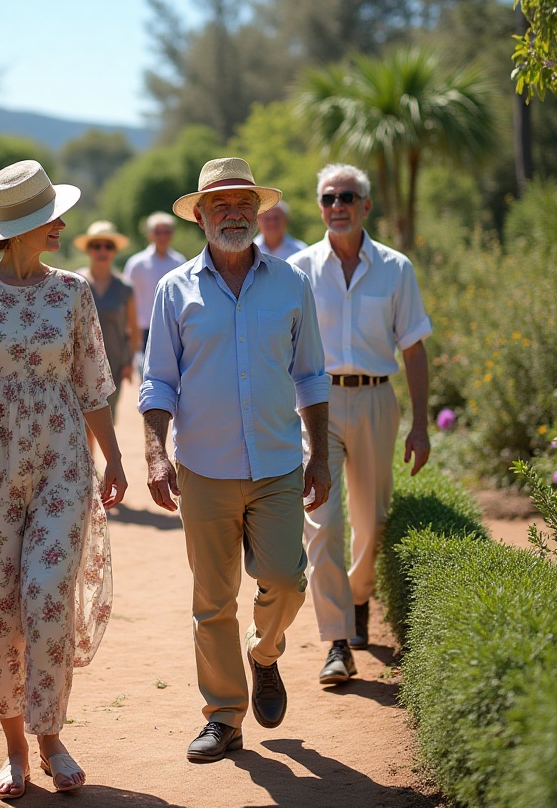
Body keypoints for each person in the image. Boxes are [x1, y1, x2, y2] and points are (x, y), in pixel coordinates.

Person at [0, 160, 128, 799]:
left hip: (63, 463)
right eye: (49, 218)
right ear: (19, 229)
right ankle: (15, 748)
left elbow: (95, 383)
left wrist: (116, 459)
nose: (62, 226)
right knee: (0, 610)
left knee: (46, 599)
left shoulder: (73, 292)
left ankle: (51, 737)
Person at [138, 156, 331, 763]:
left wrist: (319, 456)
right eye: (219, 204)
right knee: (212, 600)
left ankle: (264, 654)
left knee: (284, 579)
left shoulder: (291, 282)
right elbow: (158, 383)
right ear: (199, 215)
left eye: (243, 203)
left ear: (259, 211)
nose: (233, 213)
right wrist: (154, 454)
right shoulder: (175, 290)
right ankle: (223, 716)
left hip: (277, 462)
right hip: (204, 467)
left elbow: (312, 375)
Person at [287, 163, 431, 685]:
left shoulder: (396, 268)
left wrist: (420, 424)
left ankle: (360, 598)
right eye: (328, 198)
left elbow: (413, 348)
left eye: (347, 196)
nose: (338, 206)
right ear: (320, 207)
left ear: (366, 205)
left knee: (373, 522)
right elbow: (284, 345)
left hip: (375, 402)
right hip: (317, 406)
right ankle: (338, 641)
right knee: (322, 523)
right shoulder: (299, 269)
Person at [74, 221, 140, 421]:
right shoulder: (75, 282)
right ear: (88, 250)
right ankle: (89, 455)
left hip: (114, 365)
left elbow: (134, 329)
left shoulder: (125, 287)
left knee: (105, 421)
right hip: (78, 363)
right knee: (82, 421)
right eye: (97, 245)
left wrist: (128, 362)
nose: (102, 251)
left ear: (114, 251)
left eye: (108, 246)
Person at [124, 211, 186, 355]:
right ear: (150, 235)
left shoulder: (180, 262)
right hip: (143, 328)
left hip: (173, 328)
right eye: (158, 232)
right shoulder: (137, 264)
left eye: (167, 232)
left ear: (172, 234)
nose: (163, 236)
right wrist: (132, 331)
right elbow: (128, 298)